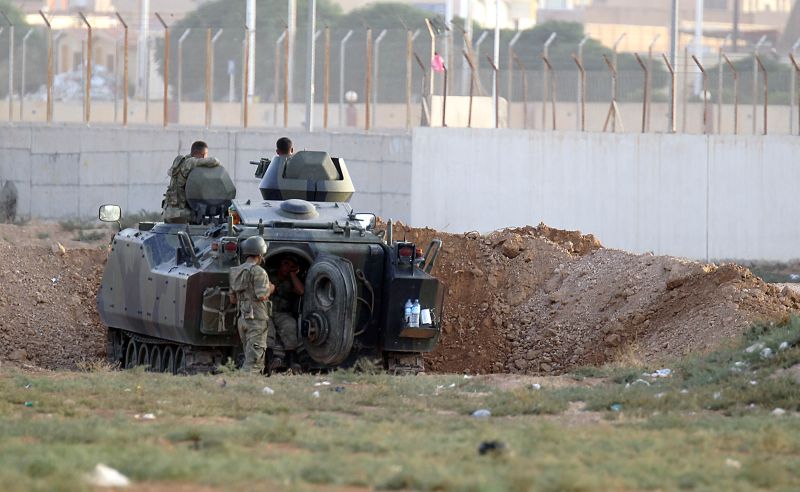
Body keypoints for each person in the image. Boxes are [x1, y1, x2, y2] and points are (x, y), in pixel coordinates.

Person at [228, 236, 274, 374]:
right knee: (253, 364)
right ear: (260, 254)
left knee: (251, 357)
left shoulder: (236, 271)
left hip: (243, 320)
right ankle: (243, 388)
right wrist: (271, 288)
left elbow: (233, 299)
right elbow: (262, 295)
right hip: (257, 321)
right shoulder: (259, 271)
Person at [162, 140, 220, 223]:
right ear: (203, 154)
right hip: (180, 214)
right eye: (206, 155)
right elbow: (214, 161)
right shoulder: (191, 162)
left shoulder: (182, 161)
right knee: (209, 223)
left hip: (169, 212)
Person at [268, 255, 305, 373]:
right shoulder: (269, 275)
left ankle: (291, 362)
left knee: (290, 326)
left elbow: (301, 291)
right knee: (267, 330)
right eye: (286, 263)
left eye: (291, 265)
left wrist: (293, 274)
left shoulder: (293, 280)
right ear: (280, 264)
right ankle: (268, 362)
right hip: (266, 311)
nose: (288, 267)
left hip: (283, 313)